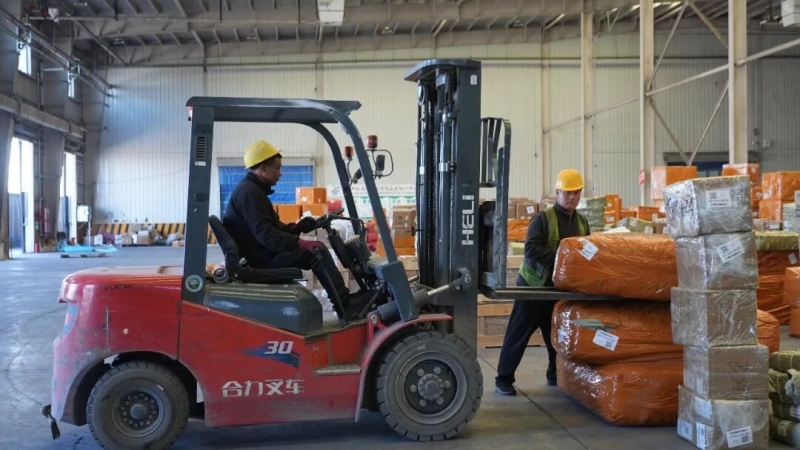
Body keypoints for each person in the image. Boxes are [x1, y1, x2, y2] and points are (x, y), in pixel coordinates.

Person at [223, 140, 370, 320]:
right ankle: (345, 305)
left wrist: (297, 228)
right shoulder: (250, 193)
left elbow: (272, 227)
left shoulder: (252, 190)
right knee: (317, 251)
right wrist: (299, 242)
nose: (281, 173)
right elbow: (266, 235)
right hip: (260, 258)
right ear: (263, 169)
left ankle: (344, 301)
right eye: (277, 168)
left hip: (260, 253)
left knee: (315, 249)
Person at [495, 168, 590, 396]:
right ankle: (503, 379)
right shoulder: (543, 219)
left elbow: (586, 253)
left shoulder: (582, 223)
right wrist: (565, 254)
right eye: (568, 193)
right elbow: (531, 250)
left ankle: (553, 374)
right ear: (558, 193)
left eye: (576, 193)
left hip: (558, 290)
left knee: (555, 337)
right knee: (518, 335)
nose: (572, 197)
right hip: (533, 289)